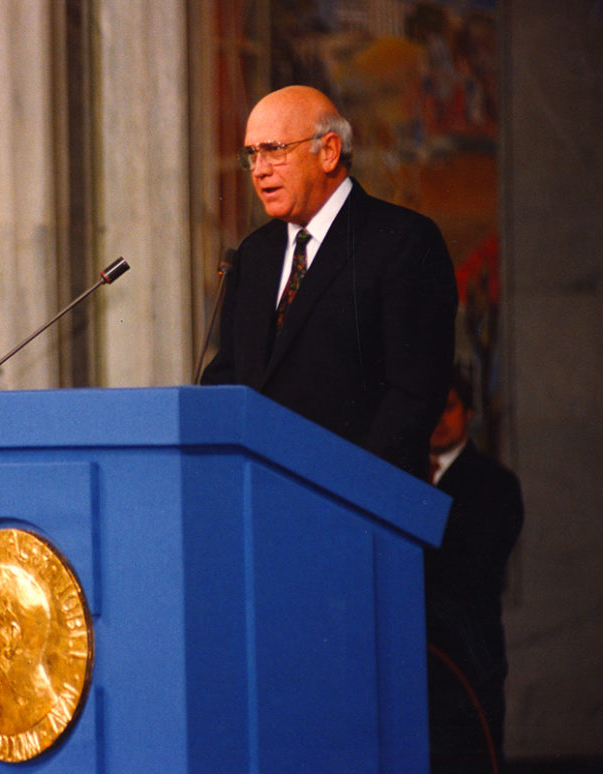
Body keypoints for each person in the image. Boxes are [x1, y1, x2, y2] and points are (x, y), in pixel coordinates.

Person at [200, 85, 458, 479]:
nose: (259, 169)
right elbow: (228, 376)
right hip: (259, 497)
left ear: (329, 151)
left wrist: (346, 483)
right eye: (251, 155)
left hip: (357, 505)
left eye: (273, 150)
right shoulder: (253, 254)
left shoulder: (402, 241)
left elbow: (414, 393)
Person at [425, 370, 524, 774]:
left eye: (447, 407)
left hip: (467, 660)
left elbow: (474, 566)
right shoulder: (398, 477)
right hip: (413, 660)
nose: (438, 418)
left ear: (467, 413)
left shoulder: (495, 484)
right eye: (430, 409)